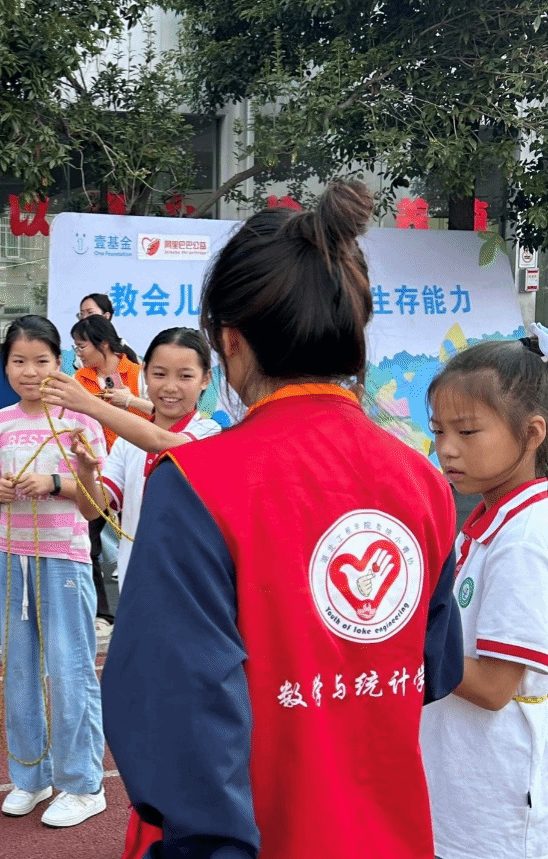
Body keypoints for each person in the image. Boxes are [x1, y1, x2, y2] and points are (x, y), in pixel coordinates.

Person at [101, 180, 464, 859]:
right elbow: (434, 670)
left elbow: (166, 710)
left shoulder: (196, 483)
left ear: (230, 341)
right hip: (391, 838)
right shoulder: (424, 482)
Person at [0, 315, 109, 828]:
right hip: (11, 558)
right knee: (19, 671)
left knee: (70, 670)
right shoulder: (0, 421)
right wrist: (2, 491)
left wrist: (54, 481)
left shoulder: (81, 417)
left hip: (64, 558)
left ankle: (84, 784)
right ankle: (30, 777)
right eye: (18, 361)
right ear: (5, 365)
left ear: (60, 363)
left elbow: (97, 503)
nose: (29, 371)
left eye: (41, 361)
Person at [421, 336, 548, 859]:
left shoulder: (526, 538)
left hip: (497, 811)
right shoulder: (490, 523)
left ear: (532, 433)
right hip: (468, 793)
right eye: (438, 431)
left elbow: (495, 686)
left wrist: (399, 637)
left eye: (468, 431)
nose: (447, 448)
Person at [45, 327, 221, 592]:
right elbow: (92, 510)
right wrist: (85, 471)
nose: (170, 386)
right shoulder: (127, 443)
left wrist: (88, 403)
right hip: (135, 585)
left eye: (185, 376)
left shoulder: (210, 433)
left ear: (205, 379)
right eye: (159, 374)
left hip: (193, 586)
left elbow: (160, 442)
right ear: (145, 373)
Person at [69, 314, 148, 638]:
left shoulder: (137, 373)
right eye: (75, 347)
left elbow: (159, 412)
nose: (79, 353)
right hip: (98, 467)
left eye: (82, 346)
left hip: (137, 463)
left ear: (103, 344)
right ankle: (102, 614)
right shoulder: (79, 378)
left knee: (142, 541)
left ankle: (143, 612)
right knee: (87, 543)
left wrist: (129, 401)